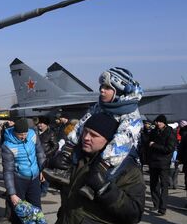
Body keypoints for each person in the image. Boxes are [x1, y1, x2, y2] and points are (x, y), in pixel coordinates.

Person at [45, 68, 143, 196]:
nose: (102, 90)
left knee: (119, 163)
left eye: (107, 87)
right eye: (102, 86)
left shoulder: (131, 114)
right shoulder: (99, 106)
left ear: (118, 91)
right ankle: (66, 172)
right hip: (97, 148)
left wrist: (102, 167)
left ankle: (96, 187)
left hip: (119, 154)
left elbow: (121, 143)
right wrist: (67, 151)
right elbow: (81, 126)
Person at [1, 118, 46, 224]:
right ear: (15, 132)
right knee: (18, 210)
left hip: (34, 177)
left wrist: (42, 169)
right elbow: (7, 171)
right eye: (20, 134)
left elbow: (40, 152)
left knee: (37, 208)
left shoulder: (32, 135)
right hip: (19, 179)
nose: (23, 137)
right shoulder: (8, 146)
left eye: (25, 134)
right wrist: (12, 193)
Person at [146, 114, 176, 215]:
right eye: (157, 122)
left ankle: (162, 208)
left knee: (164, 185)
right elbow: (148, 143)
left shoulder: (170, 133)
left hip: (163, 163)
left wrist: (154, 145)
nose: (157, 123)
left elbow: (169, 149)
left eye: (160, 122)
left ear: (164, 123)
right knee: (153, 184)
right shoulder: (154, 132)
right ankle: (156, 204)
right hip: (153, 162)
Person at [37, 116, 58, 197]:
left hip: (46, 158)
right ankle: (38, 188)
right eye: (39, 123)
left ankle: (44, 190)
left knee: (45, 174)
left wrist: (47, 154)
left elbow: (56, 146)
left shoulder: (51, 133)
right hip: (36, 156)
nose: (39, 125)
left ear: (46, 125)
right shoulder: (36, 132)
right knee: (38, 173)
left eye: (41, 123)